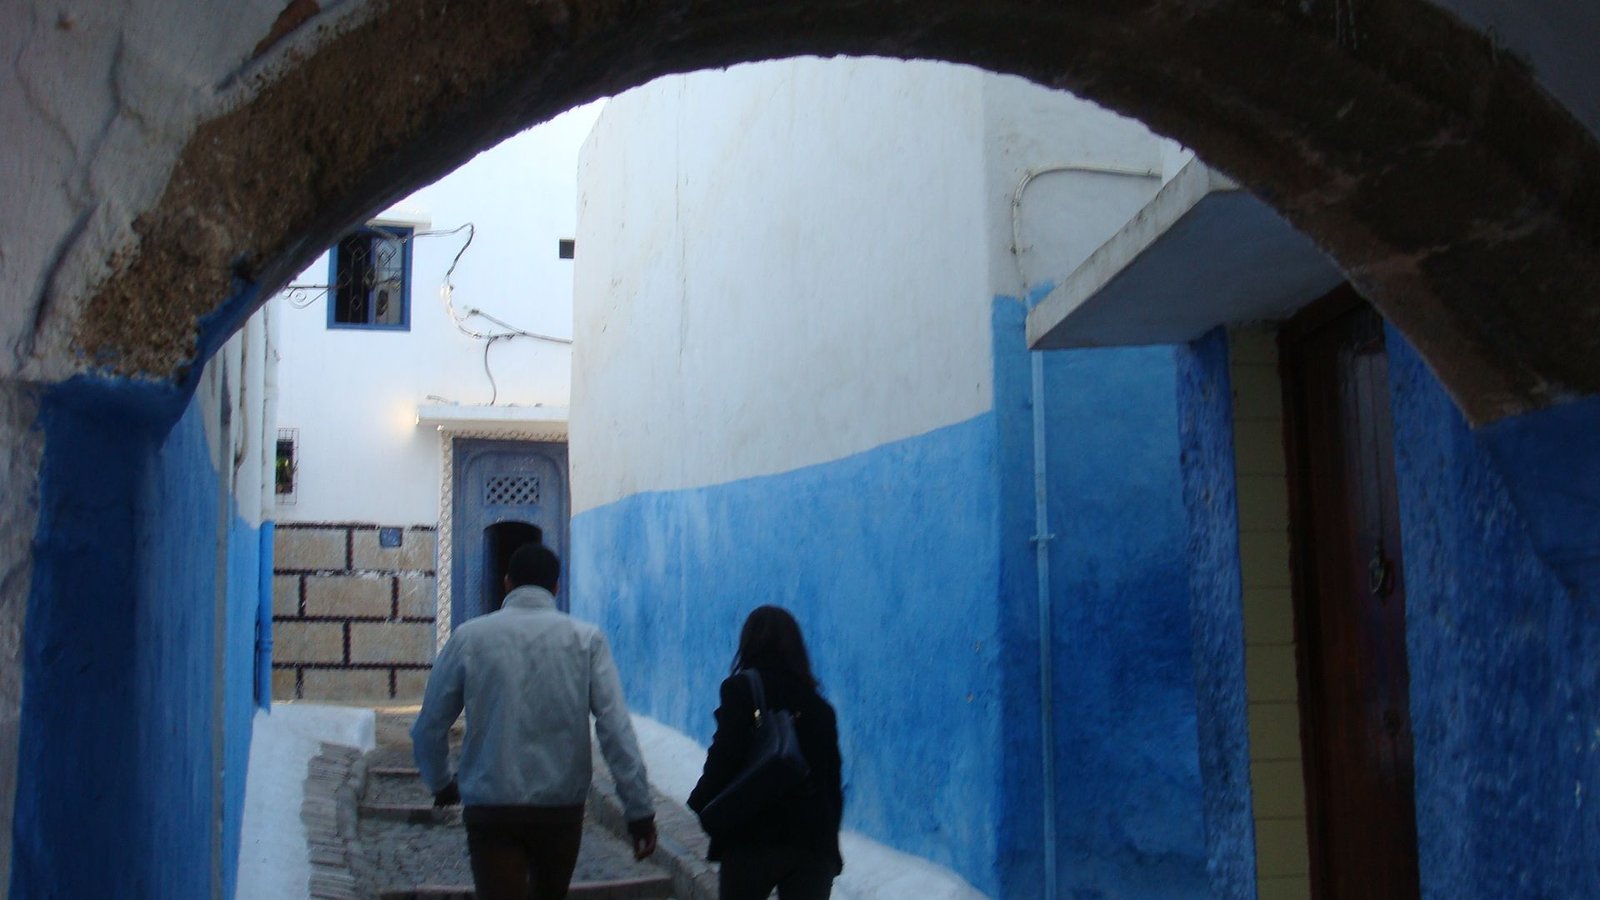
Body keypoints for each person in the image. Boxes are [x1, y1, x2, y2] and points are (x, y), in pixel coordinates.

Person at [411, 542, 657, 900]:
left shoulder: (469, 637)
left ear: (507, 583)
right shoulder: (586, 640)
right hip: (559, 810)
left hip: (491, 807)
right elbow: (615, 729)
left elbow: (429, 726)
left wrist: (441, 783)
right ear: (555, 588)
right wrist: (639, 811)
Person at [687, 606, 844, 900]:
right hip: (813, 844)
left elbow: (725, 756)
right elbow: (832, 785)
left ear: (749, 643)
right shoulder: (821, 708)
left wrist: (701, 803)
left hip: (753, 837)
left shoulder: (742, 690)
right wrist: (830, 849)